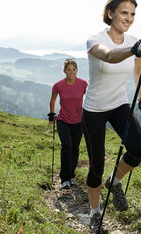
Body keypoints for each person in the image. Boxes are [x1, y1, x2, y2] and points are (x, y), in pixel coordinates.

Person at [82, 0, 141, 233]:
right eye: (124, 12)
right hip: (94, 109)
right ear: (110, 13)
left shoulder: (134, 39)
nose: (129, 18)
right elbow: (110, 56)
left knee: (138, 149)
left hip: (119, 105)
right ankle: (94, 214)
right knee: (96, 167)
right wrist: (135, 49)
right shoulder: (94, 40)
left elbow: (136, 72)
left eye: (132, 14)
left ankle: (114, 182)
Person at [48, 58, 88, 189]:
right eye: (68, 70)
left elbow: (89, 99)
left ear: (77, 70)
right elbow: (53, 99)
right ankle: (64, 178)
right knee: (67, 146)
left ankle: (71, 175)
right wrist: (52, 113)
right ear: (64, 71)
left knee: (75, 148)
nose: (71, 72)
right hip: (63, 120)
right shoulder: (58, 85)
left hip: (78, 121)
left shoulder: (83, 84)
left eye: (74, 69)